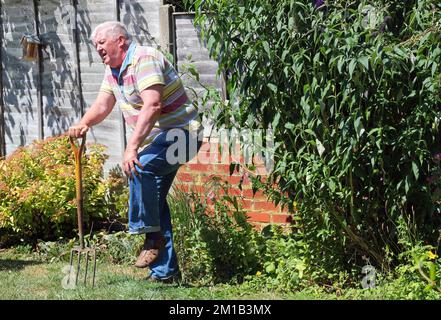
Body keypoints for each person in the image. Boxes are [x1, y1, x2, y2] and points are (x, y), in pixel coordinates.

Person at [68, 21, 202, 283]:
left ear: (121, 40)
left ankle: (150, 235)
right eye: (95, 45)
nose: (98, 49)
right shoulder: (113, 70)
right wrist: (84, 123)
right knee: (154, 198)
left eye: (102, 43)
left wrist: (131, 148)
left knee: (138, 166)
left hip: (183, 135)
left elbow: (153, 105)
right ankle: (166, 273)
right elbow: (103, 104)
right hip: (159, 141)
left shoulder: (144, 58)